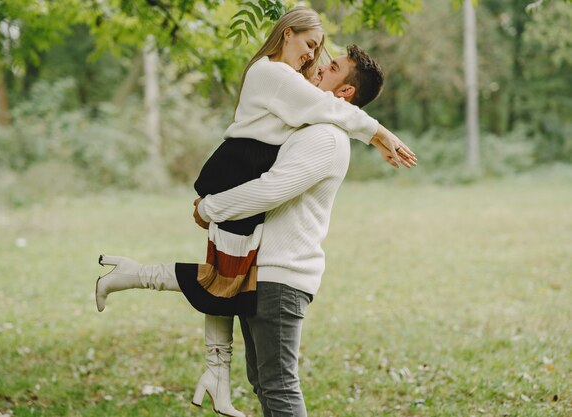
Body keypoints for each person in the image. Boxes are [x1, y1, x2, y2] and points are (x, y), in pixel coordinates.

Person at [95, 6, 416, 417]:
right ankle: (213, 372)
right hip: (264, 268)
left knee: (278, 387)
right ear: (287, 35)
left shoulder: (325, 136)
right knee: (262, 378)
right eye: (314, 48)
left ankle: (139, 284)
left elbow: (274, 188)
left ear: (346, 91)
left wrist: (211, 209)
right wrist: (376, 132)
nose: (317, 62)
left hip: (281, 275)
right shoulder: (297, 106)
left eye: (330, 63)